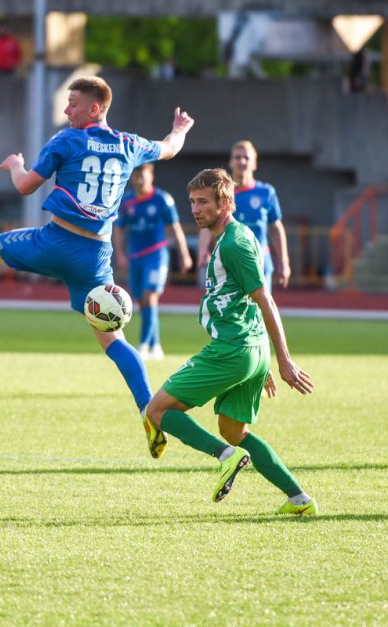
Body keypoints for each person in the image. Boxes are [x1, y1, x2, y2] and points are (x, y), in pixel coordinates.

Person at [0, 76, 194, 445]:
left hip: (55, 241)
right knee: (113, 341)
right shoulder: (128, 144)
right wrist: (179, 128)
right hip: (94, 258)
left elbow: (25, 186)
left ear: (94, 108)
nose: (66, 109)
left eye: (72, 103)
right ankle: (147, 411)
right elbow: (169, 148)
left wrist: (15, 165)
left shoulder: (67, 140)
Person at [143, 168, 317, 515]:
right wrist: (262, 360)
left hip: (232, 350)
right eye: (192, 202)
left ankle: (225, 458)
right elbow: (247, 301)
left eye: (204, 202)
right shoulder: (234, 237)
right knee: (232, 429)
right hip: (249, 350)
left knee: (157, 410)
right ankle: (299, 500)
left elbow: (265, 299)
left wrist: (283, 360)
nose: (196, 209)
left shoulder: (234, 244)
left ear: (226, 203)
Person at [113, 163, 193, 360]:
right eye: (137, 174)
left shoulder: (162, 199)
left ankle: (143, 345)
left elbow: (175, 228)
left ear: (151, 176)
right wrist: (121, 254)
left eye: (144, 174)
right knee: (142, 301)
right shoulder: (128, 202)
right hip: (135, 257)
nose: (140, 178)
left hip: (156, 255)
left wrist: (184, 254)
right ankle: (156, 344)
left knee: (150, 297)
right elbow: (119, 229)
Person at [197, 140, 290, 291]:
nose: (241, 161)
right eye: (237, 157)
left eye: (246, 157)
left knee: (260, 311)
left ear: (254, 164)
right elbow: (208, 222)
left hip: (260, 259)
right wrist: (202, 251)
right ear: (230, 162)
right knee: (230, 311)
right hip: (228, 261)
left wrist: (284, 262)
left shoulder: (266, 192)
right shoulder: (220, 193)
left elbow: (276, 227)